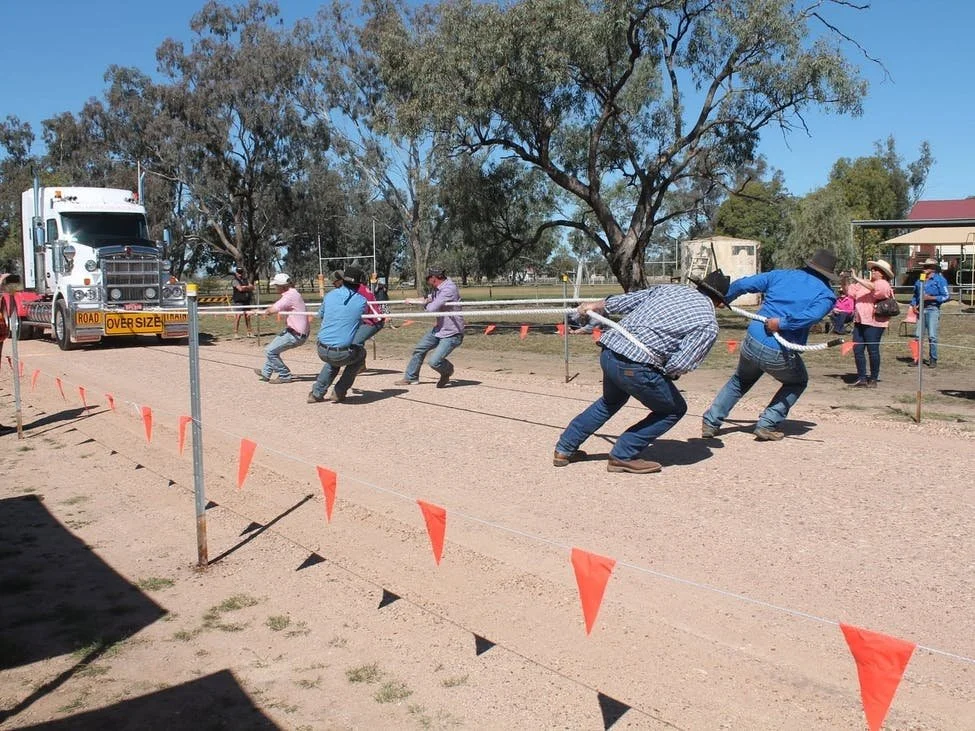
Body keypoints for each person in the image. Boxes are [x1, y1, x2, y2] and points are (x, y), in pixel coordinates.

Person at [554, 270, 730, 474]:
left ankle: (564, 448)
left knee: (609, 402)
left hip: (610, 349)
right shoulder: (708, 322)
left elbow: (625, 301)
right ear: (719, 302)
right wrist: (669, 374)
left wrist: (594, 305)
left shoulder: (669, 290)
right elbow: (681, 363)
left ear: (700, 286)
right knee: (673, 409)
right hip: (635, 365)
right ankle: (623, 455)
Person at [701, 249, 838, 442]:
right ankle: (767, 424)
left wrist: (725, 298)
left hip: (753, 338)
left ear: (809, 263)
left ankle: (711, 422)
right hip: (779, 349)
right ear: (829, 273)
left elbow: (743, 284)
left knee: (740, 380)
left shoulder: (781, 275)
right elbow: (812, 317)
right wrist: (782, 323)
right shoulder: (826, 295)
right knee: (797, 382)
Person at [395, 266, 465, 388]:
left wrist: (425, 304)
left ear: (434, 278)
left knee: (434, 362)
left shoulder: (448, 289)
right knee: (419, 349)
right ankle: (411, 378)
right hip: (439, 329)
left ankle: (447, 370)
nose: (426, 280)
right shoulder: (438, 289)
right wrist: (413, 300)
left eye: (428, 277)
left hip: (452, 333)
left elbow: (432, 308)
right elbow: (428, 299)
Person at [307, 268, 367, 404]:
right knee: (360, 355)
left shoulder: (329, 296)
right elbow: (360, 321)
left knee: (333, 361)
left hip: (321, 349)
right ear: (359, 284)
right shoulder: (361, 301)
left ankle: (316, 393)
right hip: (342, 352)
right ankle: (339, 391)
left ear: (343, 281)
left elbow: (320, 315)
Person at [844, 259, 895, 388]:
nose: (873, 271)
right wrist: (844, 279)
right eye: (872, 269)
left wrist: (856, 277)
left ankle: (873, 378)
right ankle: (861, 377)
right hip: (860, 321)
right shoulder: (864, 283)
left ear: (882, 273)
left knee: (872, 350)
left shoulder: (883, 283)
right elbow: (849, 292)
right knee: (858, 349)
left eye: (876, 269)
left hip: (875, 322)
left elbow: (877, 290)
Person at [254, 272, 309, 383]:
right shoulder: (294, 293)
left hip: (296, 334)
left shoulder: (289, 296)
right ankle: (266, 372)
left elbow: (273, 310)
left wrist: (259, 312)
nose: (275, 288)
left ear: (282, 286)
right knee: (273, 348)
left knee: (270, 351)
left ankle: (284, 375)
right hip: (293, 331)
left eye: (276, 286)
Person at [909, 258, 950, 368]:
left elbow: (946, 296)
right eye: (924, 267)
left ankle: (933, 358)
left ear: (933, 269)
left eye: (927, 267)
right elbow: (915, 294)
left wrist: (931, 297)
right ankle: (916, 358)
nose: (924, 269)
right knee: (918, 335)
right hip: (921, 309)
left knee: (932, 336)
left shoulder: (940, 280)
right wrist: (913, 305)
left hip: (933, 309)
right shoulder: (921, 279)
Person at [352, 270, 385, 373]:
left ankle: (358, 364)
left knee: (355, 342)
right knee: (356, 340)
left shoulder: (358, 289)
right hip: (367, 320)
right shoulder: (360, 288)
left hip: (374, 320)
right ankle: (360, 365)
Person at [231, 266, 255, 338]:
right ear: (236, 273)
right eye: (238, 272)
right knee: (238, 317)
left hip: (246, 300)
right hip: (238, 301)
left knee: (248, 316)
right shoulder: (235, 281)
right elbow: (240, 289)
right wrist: (247, 287)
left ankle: (249, 332)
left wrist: (245, 287)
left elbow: (252, 287)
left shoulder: (246, 280)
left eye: (241, 272)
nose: (240, 274)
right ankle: (236, 333)